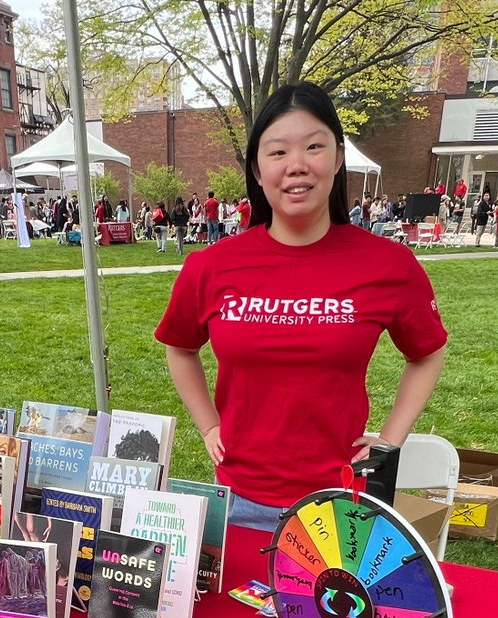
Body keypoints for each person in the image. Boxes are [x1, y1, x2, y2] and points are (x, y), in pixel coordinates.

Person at [155, 81, 447, 532]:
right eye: (278, 152)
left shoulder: (388, 264)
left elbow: (427, 352)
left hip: (341, 501)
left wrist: (390, 441)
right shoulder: (211, 266)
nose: (297, 166)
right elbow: (179, 346)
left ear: (338, 158)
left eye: (314, 146)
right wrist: (209, 426)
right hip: (239, 502)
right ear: (256, 168)